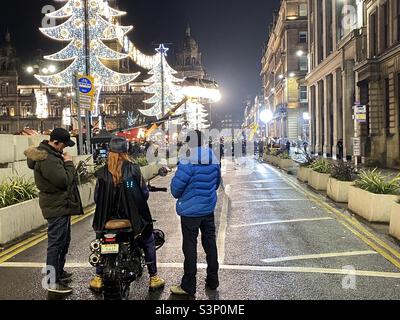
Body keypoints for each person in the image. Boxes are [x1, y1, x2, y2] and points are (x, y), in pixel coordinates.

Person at [89, 137, 165, 292]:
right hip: (131, 219)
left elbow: (97, 198)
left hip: (106, 220)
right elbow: (143, 194)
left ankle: (98, 277)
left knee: (101, 240)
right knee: (148, 240)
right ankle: (154, 277)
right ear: (126, 152)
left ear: (109, 152)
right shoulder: (133, 170)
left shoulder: (102, 174)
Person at [24, 128, 83, 295]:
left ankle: (59, 273)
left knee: (63, 241)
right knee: (55, 245)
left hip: (60, 205)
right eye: (63, 145)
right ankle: (51, 281)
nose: (64, 149)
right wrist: (69, 163)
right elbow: (64, 181)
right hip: (56, 206)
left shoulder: (51, 155)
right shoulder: (48, 158)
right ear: (55, 142)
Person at [170, 130, 221, 296]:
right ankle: (213, 280)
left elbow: (176, 190)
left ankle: (188, 285)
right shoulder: (213, 158)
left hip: (190, 212)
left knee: (190, 246)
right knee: (210, 243)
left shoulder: (187, 160)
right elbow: (216, 183)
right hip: (207, 209)